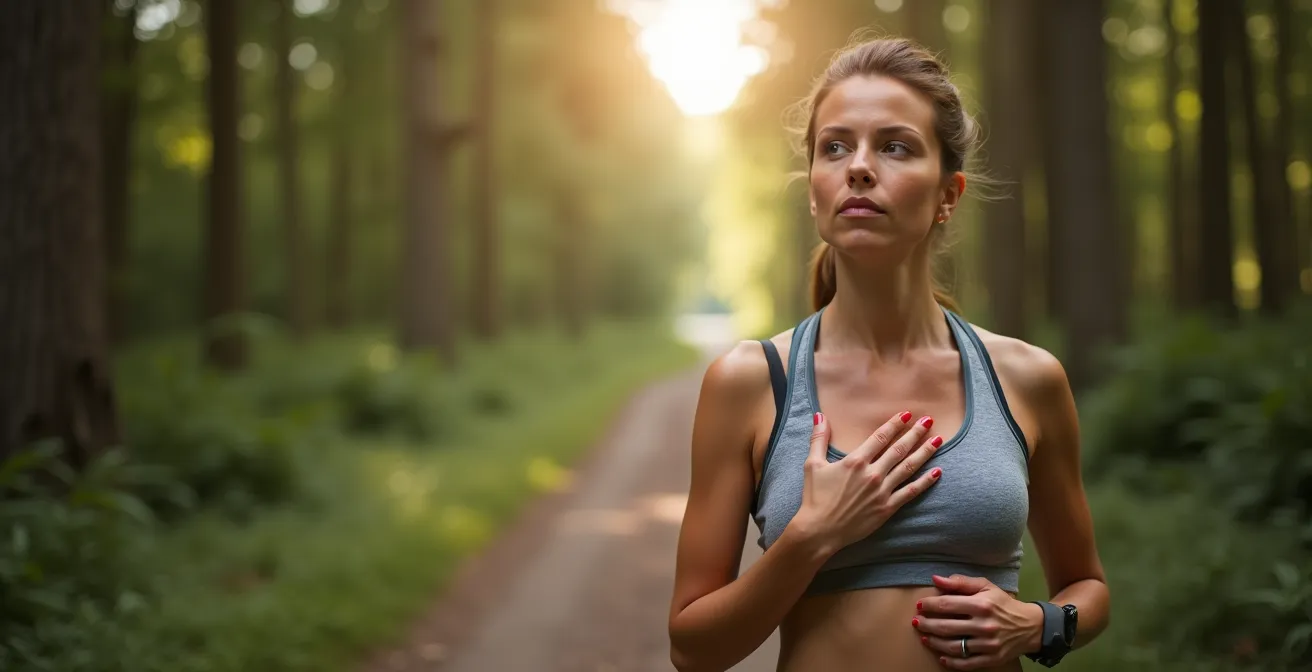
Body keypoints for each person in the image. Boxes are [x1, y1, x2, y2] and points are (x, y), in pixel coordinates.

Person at [666, 36, 1110, 672]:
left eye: (895, 146)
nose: (860, 166)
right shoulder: (752, 381)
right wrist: (811, 536)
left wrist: (1040, 623)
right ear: (815, 188)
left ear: (947, 195)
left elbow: (1088, 588)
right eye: (835, 147)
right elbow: (691, 648)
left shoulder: (1027, 378)